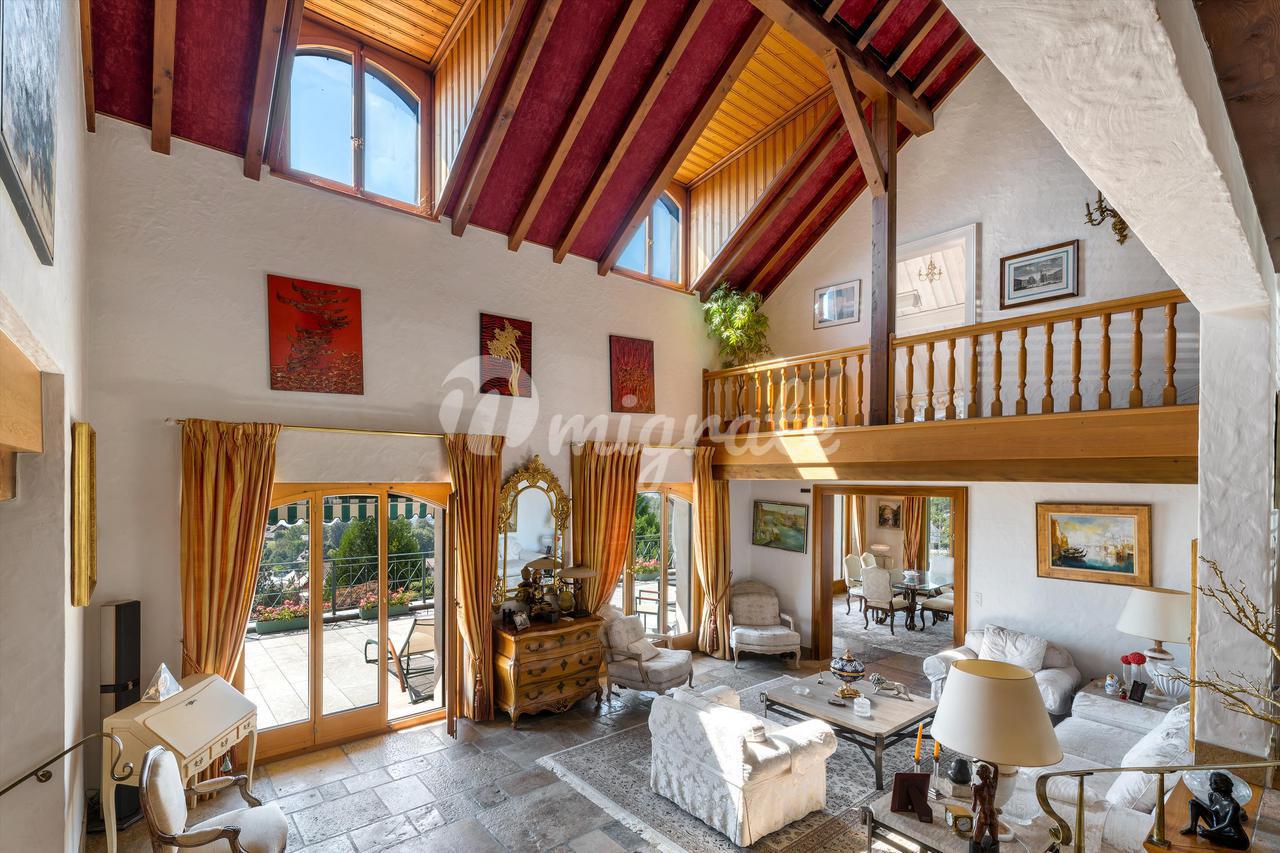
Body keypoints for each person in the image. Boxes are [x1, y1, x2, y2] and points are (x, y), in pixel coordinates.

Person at [1181, 771, 1249, 850]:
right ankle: (1192, 828)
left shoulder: (1233, 805)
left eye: (1212, 783)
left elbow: (1226, 824)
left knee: (1202, 833)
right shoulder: (1212, 795)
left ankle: (1214, 836)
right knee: (1193, 803)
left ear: (1221, 785)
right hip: (1216, 826)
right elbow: (1212, 811)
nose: (1209, 785)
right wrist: (1199, 802)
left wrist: (1209, 831)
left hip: (1234, 836)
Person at [970, 762, 999, 850]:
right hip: (993, 815)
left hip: (983, 815)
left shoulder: (976, 788)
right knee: (995, 841)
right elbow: (996, 767)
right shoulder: (994, 785)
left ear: (980, 775)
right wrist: (981, 759)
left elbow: (973, 808)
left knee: (976, 841)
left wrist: (972, 788)